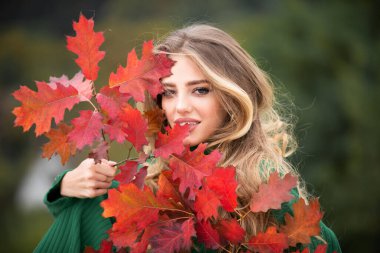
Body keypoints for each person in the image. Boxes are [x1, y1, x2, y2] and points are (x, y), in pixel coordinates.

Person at [34, 24, 342, 253]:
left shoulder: (268, 194)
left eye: (200, 90)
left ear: (231, 98)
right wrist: (69, 188)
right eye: (168, 92)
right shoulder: (146, 186)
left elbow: (324, 243)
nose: (180, 107)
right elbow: (83, 226)